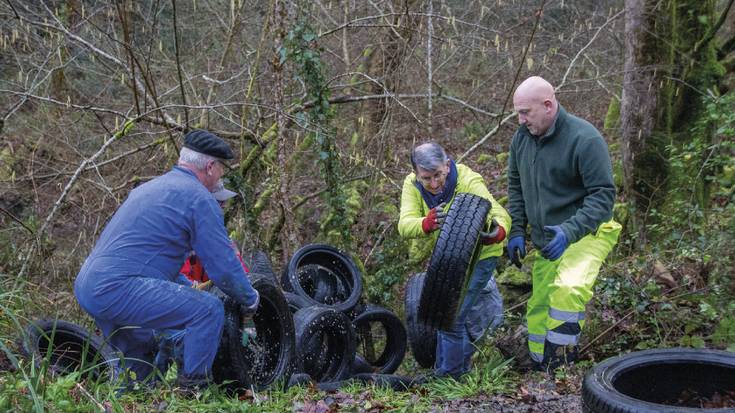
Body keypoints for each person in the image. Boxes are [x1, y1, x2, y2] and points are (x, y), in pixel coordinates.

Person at [74, 130, 260, 390]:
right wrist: (250, 298)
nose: (221, 177)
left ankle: (134, 397)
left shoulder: (150, 188)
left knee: (141, 358)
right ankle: (193, 393)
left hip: (89, 285)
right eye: (221, 170)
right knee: (207, 310)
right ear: (210, 166)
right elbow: (224, 268)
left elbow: (152, 259)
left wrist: (186, 287)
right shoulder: (200, 198)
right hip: (119, 286)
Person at [506, 76, 621, 371]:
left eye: (525, 112)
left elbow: (603, 196)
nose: (520, 120)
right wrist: (517, 230)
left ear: (548, 105)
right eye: (517, 113)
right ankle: (537, 366)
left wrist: (570, 231)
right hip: (548, 239)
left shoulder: (585, 138)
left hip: (588, 233)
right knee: (540, 305)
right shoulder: (522, 139)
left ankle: (561, 371)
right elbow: (516, 187)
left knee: (567, 291)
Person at [398, 142, 511, 379]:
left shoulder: (468, 180)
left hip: (482, 255)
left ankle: (450, 378)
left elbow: (499, 212)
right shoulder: (412, 185)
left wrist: (499, 231)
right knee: (441, 314)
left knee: (452, 316)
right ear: (416, 174)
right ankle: (448, 371)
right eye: (426, 178)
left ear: (447, 166)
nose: (434, 183)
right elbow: (404, 224)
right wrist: (425, 224)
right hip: (448, 256)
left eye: (438, 174)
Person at [179, 180, 248, 284]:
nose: (224, 205)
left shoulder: (218, 233)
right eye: (219, 201)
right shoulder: (181, 233)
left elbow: (240, 271)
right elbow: (179, 280)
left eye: (224, 201)